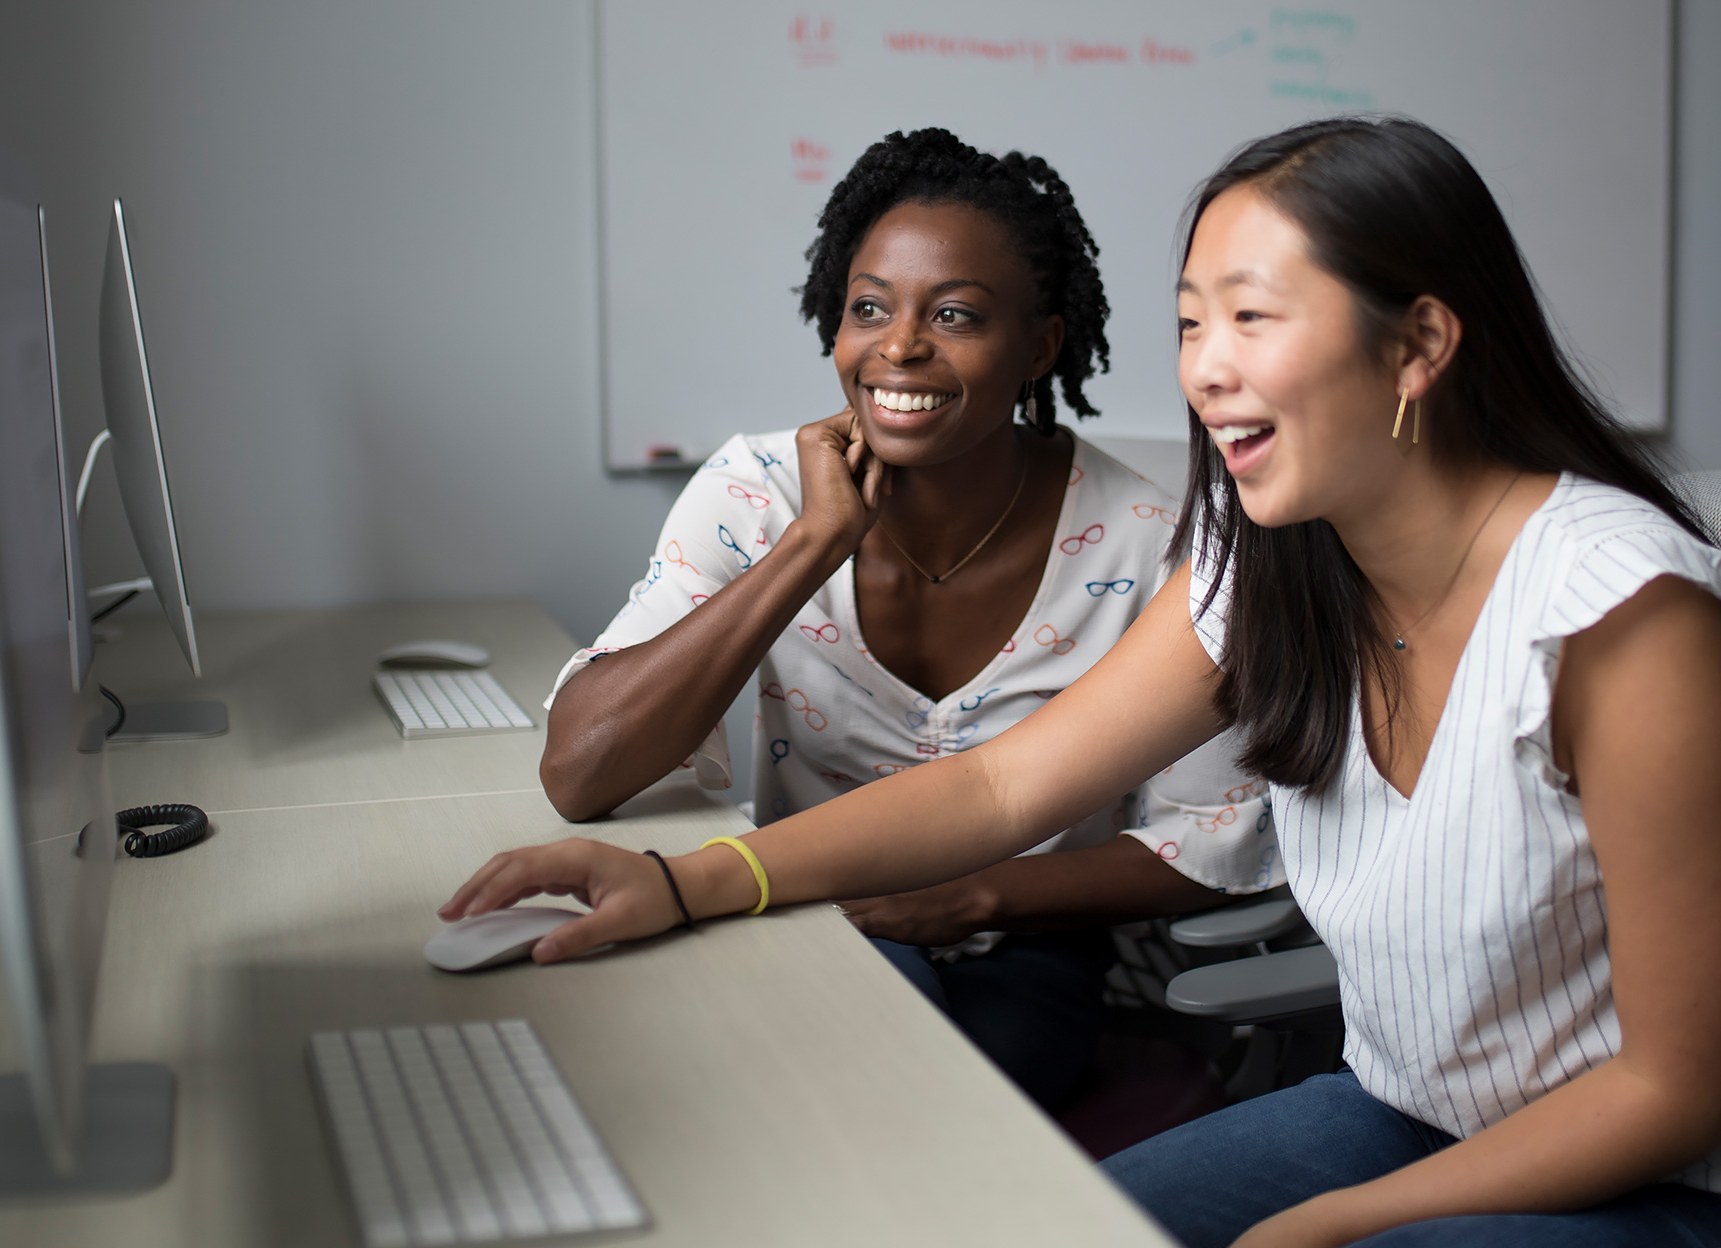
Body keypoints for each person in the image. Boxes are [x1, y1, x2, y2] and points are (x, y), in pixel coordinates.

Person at [447, 114, 1721, 1244]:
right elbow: (1006, 785)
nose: (1206, 369)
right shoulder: (1270, 556)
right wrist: (684, 885)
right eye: (1189, 322)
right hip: (1397, 1113)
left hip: (1649, 1174)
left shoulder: (1620, 615)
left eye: (1253, 319)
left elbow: (1673, 1090)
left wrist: (1334, 1221)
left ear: (1417, 345)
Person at [537, 128, 1279, 1111]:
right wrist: (812, 546)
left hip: (1027, 948)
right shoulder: (755, 496)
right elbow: (582, 770)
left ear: (1040, 348)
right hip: (787, 906)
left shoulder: (1151, 546)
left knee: (913, 1108)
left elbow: (1207, 842)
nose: (899, 346)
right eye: (870, 309)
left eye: (957, 314)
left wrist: (974, 896)